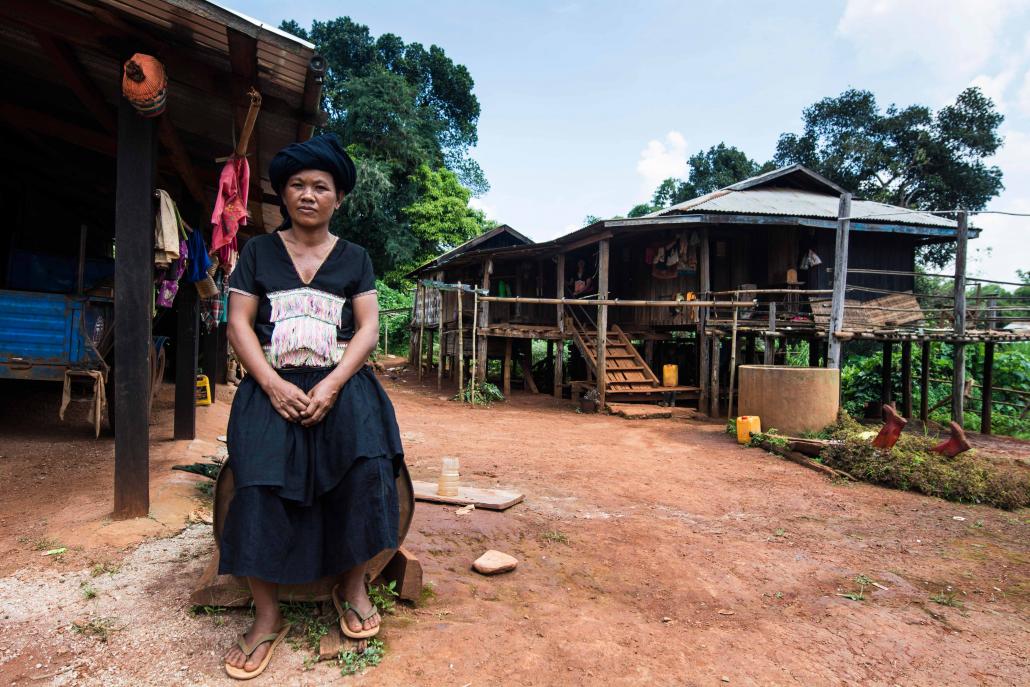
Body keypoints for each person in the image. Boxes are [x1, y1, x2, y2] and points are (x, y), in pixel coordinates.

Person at [220, 134, 404, 680]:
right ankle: (267, 615)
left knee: (366, 462)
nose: (308, 194)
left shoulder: (356, 258)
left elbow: (368, 327)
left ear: (338, 197)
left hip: (342, 382)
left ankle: (351, 588)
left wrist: (332, 386)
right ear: (282, 195)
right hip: (271, 380)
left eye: (320, 186)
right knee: (254, 477)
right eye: (297, 185)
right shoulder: (257, 253)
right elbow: (238, 324)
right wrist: (273, 385)